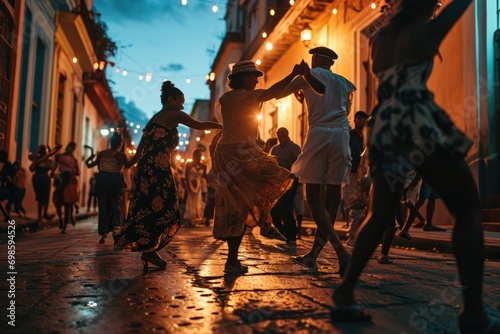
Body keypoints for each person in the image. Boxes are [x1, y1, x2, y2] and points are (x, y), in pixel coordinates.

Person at [332, 1, 499, 332]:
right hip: (416, 121)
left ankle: (346, 292)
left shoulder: (378, 37)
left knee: (379, 214)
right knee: (467, 208)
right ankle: (474, 313)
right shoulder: (426, 30)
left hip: (384, 125)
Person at [212, 60, 315, 275]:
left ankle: (235, 257)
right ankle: (266, 221)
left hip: (225, 153)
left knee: (237, 205)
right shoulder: (246, 96)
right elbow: (275, 91)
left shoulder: (226, 98)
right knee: (282, 177)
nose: (257, 80)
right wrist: (293, 74)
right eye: (253, 76)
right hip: (241, 153)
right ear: (243, 78)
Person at [114, 81, 222, 271]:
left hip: (145, 169)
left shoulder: (153, 119)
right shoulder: (175, 115)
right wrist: (223, 125)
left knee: (147, 208)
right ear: (170, 99)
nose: (182, 106)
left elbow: (140, 152)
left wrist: (129, 163)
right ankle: (149, 249)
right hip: (158, 168)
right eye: (180, 101)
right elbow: (200, 124)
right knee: (169, 209)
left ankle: (149, 249)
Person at [277, 46, 354, 275]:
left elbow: (279, 93)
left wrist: (296, 78)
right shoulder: (343, 82)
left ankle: (341, 253)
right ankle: (313, 256)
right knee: (331, 200)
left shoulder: (307, 77)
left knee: (312, 198)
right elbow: (334, 108)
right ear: (331, 63)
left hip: (320, 134)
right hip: (342, 136)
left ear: (315, 59)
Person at [85, 132, 130, 244]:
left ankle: (103, 233)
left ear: (110, 142)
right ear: (120, 143)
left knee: (103, 206)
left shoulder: (102, 153)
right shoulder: (121, 155)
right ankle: (115, 229)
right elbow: (128, 165)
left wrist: (90, 156)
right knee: (115, 205)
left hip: (101, 181)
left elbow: (90, 164)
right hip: (115, 182)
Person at [269, 127, 301, 245]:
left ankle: (291, 234)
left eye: (284, 136)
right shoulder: (275, 150)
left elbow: (299, 163)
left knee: (285, 207)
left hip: (291, 181)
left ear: (287, 135)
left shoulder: (295, 147)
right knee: (274, 209)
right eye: (279, 137)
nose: (282, 139)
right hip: (277, 182)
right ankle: (283, 231)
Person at [343, 111, 369, 245]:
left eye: (364, 118)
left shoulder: (366, 137)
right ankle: (352, 235)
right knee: (354, 203)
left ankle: (357, 234)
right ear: (355, 120)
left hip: (364, 174)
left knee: (363, 203)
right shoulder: (349, 135)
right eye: (359, 118)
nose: (361, 120)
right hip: (351, 172)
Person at [29, 144, 60, 223]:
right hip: (43, 179)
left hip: (38, 178)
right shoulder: (42, 160)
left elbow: (53, 168)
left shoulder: (39, 160)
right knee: (43, 197)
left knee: (41, 198)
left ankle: (41, 216)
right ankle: (43, 214)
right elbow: (54, 168)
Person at [54, 142, 80, 234]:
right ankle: (61, 219)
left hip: (70, 181)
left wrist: (72, 173)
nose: (71, 149)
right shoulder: (59, 157)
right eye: (70, 147)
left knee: (68, 204)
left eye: (73, 148)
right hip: (61, 179)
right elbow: (55, 166)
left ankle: (65, 225)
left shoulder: (74, 160)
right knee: (57, 201)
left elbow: (78, 172)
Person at [183, 148, 208, 227]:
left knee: (198, 202)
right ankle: (188, 219)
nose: (200, 157)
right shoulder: (189, 164)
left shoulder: (203, 166)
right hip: (190, 186)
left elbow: (205, 176)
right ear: (195, 156)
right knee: (189, 201)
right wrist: (188, 186)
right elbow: (186, 175)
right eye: (198, 155)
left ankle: (196, 218)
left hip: (198, 187)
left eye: (200, 155)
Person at [0, 150, 16, 222]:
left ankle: (7, 216)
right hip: (8, 189)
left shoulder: (9, 166)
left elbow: (8, 179)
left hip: (9, 189)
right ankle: (7, 216)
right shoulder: (7, 165)